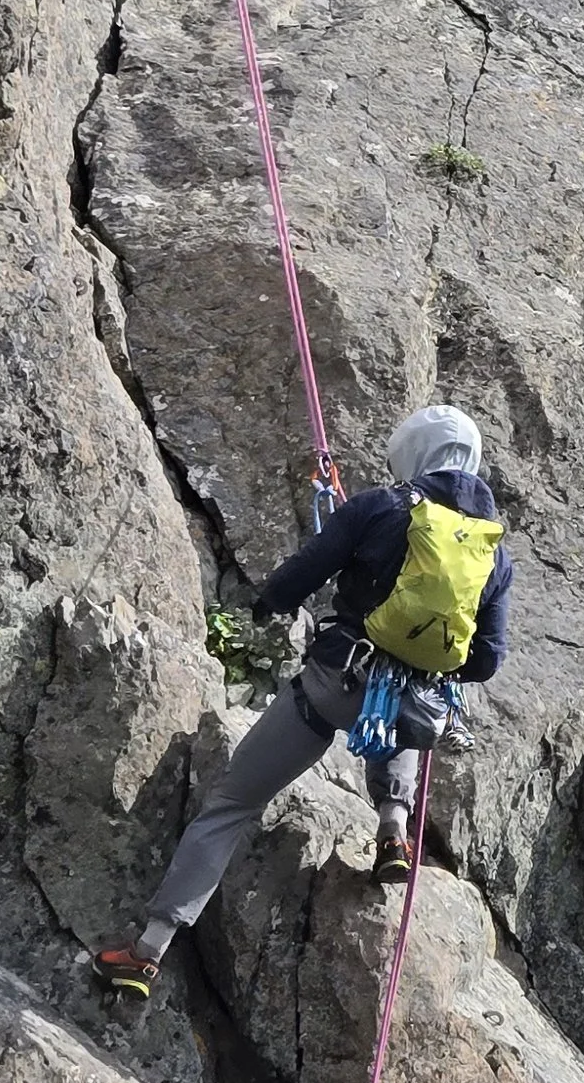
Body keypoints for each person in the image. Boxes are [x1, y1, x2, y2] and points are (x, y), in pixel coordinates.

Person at [95, 404, 513, 1003]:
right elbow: (487, 659)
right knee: (398, 709)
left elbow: (300, 576)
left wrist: (266, 608)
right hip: (411, 711)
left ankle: (146, 952)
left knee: (232, 804)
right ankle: (394, 829)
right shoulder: (493, 552)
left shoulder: (382, 507)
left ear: (413, 452)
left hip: (333, 684)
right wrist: (419, 655)